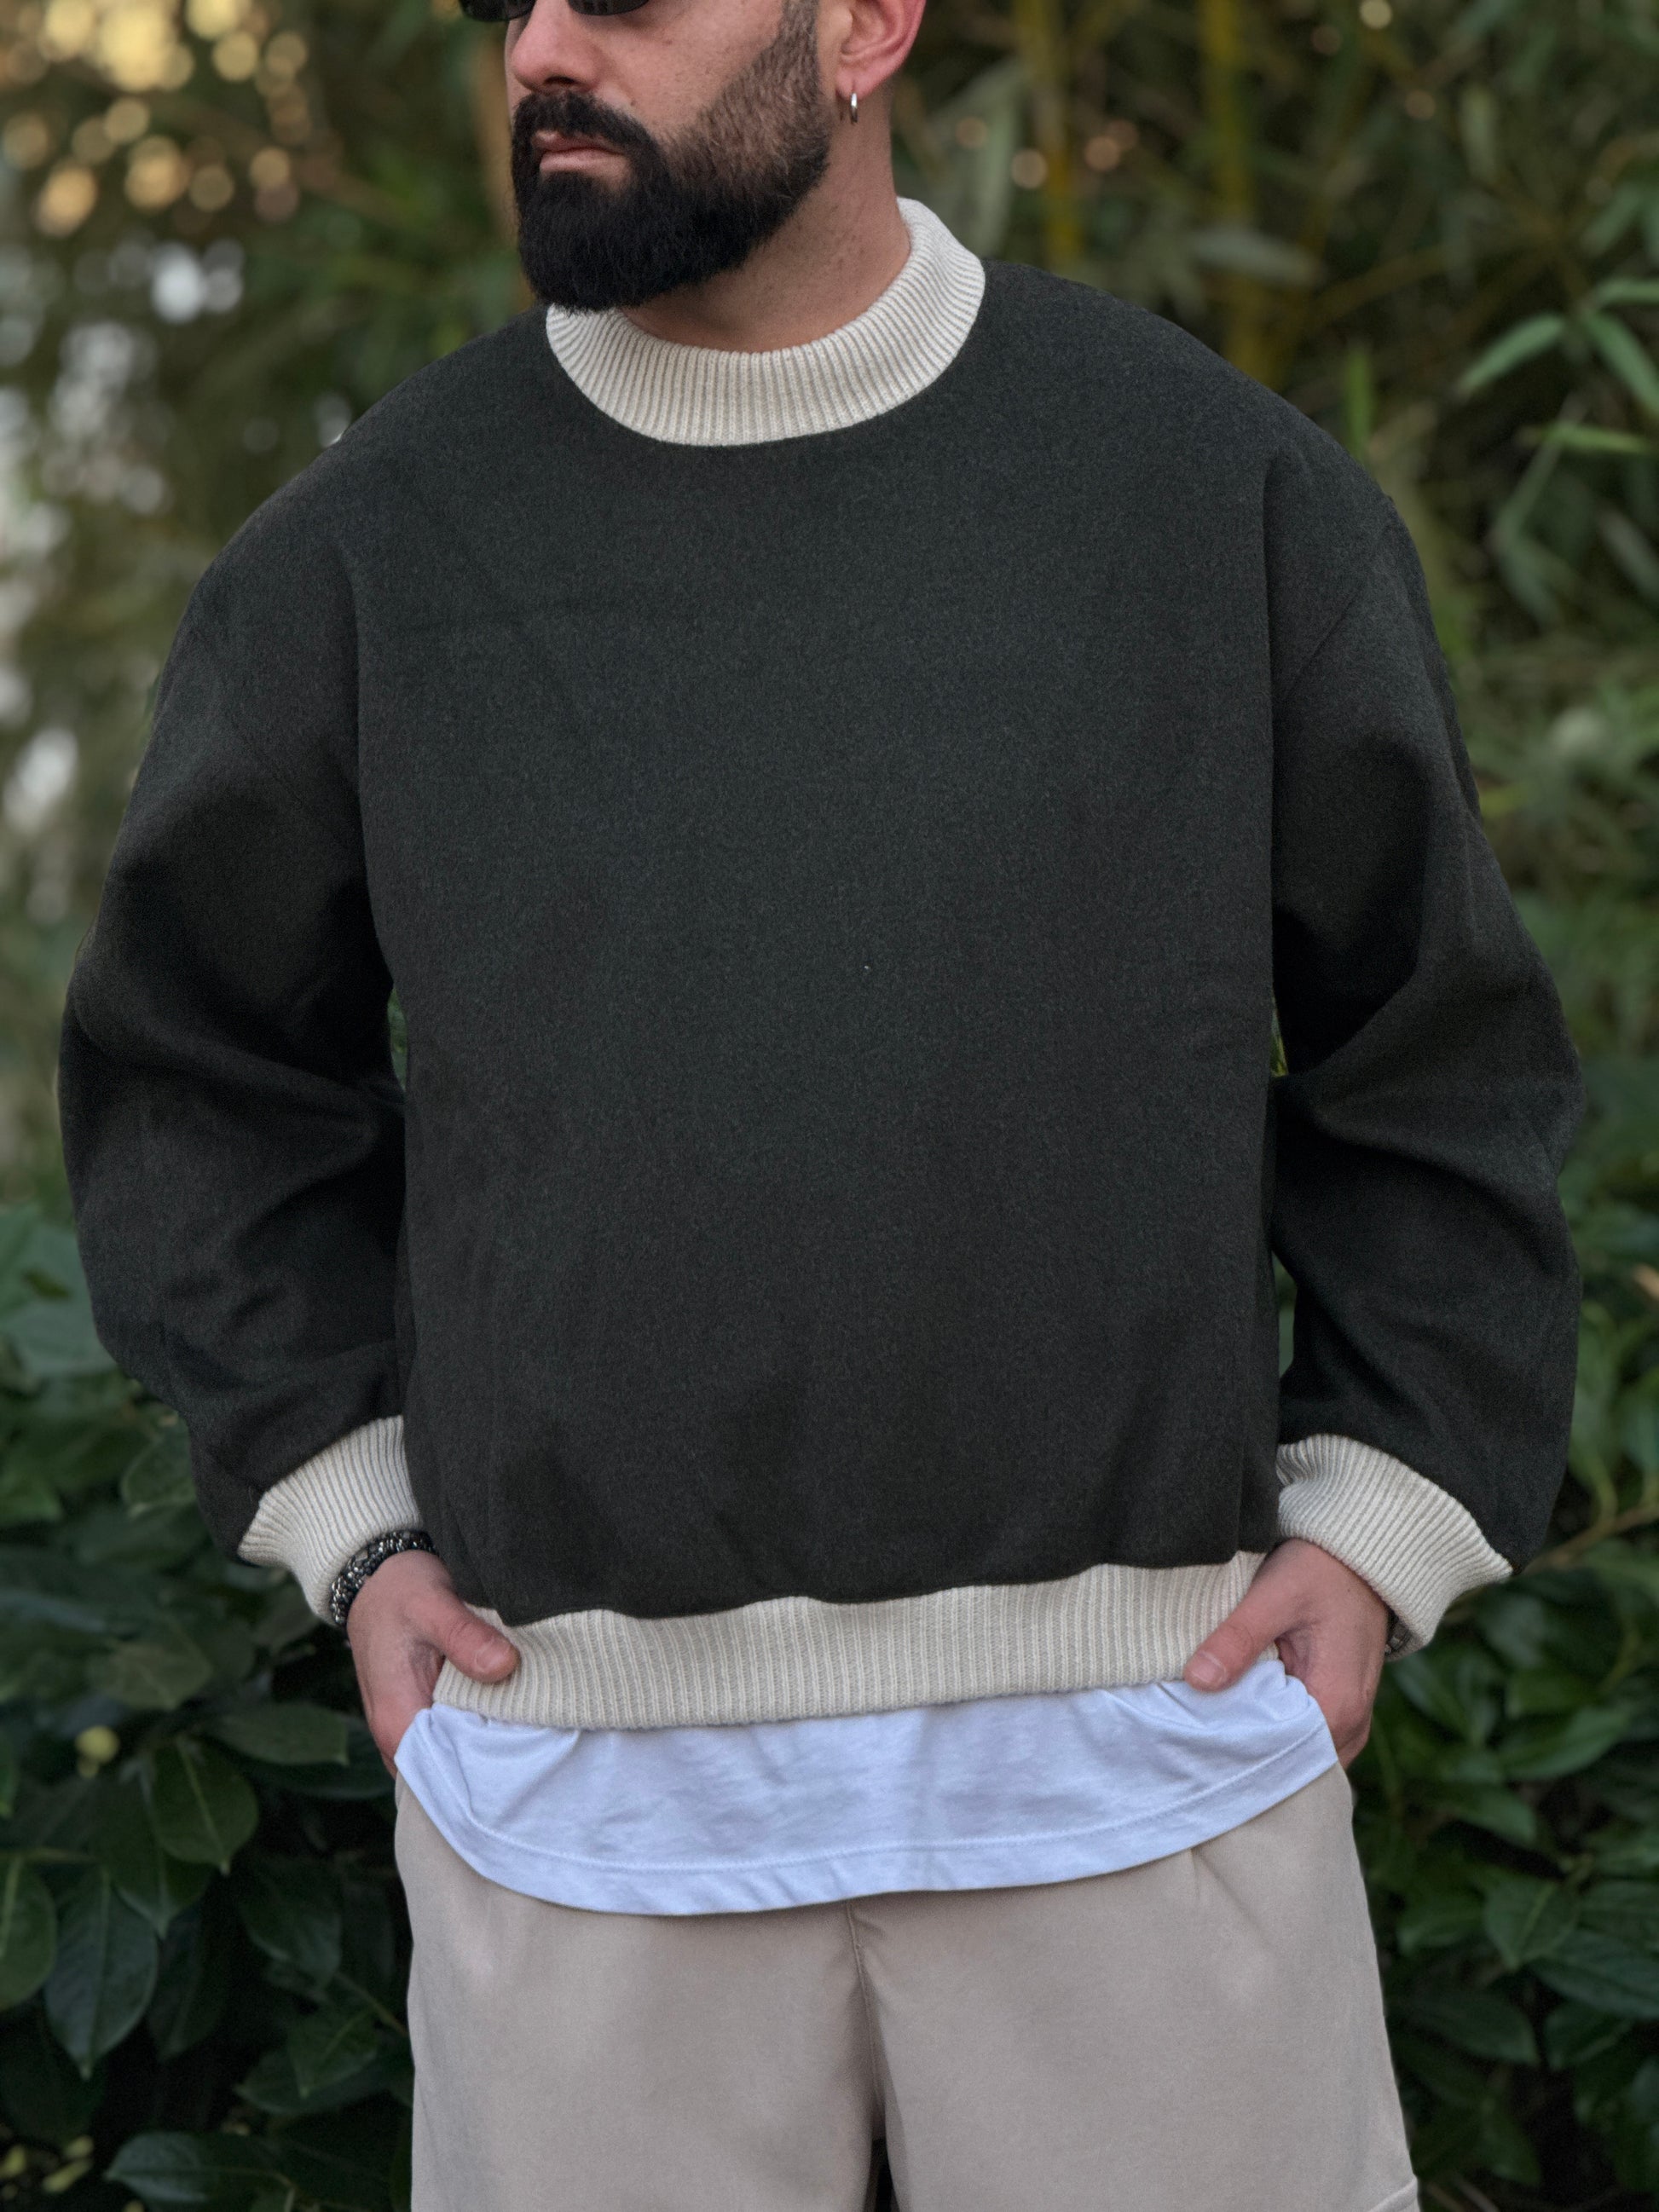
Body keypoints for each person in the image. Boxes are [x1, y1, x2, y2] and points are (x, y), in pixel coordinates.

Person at [58, 0, 1583, 2198]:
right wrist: (350, 1515)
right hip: (573, 1785)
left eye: (627, 0)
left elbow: (1435, 1041)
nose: (544, 49)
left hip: (1147, 1755)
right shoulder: (371, 550)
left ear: (866, 26)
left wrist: (1383, 1514)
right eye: (517, 2)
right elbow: (193, 1074)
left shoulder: (1201, 488)